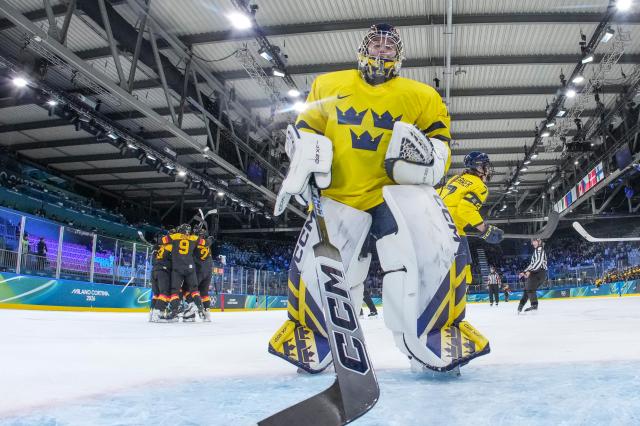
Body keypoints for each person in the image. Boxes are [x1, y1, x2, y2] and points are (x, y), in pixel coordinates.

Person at [268, 23, 490, 375]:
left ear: (399, 54)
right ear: (362, 48)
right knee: (317, 271)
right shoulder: (327, 84)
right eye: (376, 44)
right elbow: (305, 129)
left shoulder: (423, 96)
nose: (382, 50)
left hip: (400, 196)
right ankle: (314, 339)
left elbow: (441, 143)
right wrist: (304, 157)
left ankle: (435, 338)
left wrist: (429, 158)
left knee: (436, 256)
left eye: (389, 47)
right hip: (340, 195)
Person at [161, 224, 203, 322]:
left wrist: (171, 234)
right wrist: (198, 234)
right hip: (190, 267)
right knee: (194, 289)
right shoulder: (194, 237)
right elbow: (205, 243)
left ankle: (175, 310)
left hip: (178, 268)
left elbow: (162, 241)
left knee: (175, 290)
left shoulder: (175, 236)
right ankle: (199, 307)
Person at [518, 238, 548, 313]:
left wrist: (529, 271)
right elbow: (532, 264)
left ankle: (534, 305)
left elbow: (539, 262)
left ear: (539, 241)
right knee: (527, 289)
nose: (532, 243)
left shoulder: (540, 249)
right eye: (532, 242)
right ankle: (521, 306)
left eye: (534, 241)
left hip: (539, 272)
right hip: (536, 272)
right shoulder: (536, 250)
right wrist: (525, 272)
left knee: (530, 288)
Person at [150, 231, 172, 322]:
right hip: (163, 271)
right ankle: (157, 313)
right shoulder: (170, 247)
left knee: (156, 294)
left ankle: (152, 314)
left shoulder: (158, 249)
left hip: (154, 271)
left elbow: (152, 261)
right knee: (164, 293)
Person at [194, 229, 214, 322]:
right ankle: (207, 312)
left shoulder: (196, 242)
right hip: (209, 271)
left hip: (199, 270)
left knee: (193, 290)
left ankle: (196, 310)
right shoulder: (208, 243)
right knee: (205, 293)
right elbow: (209, 240)